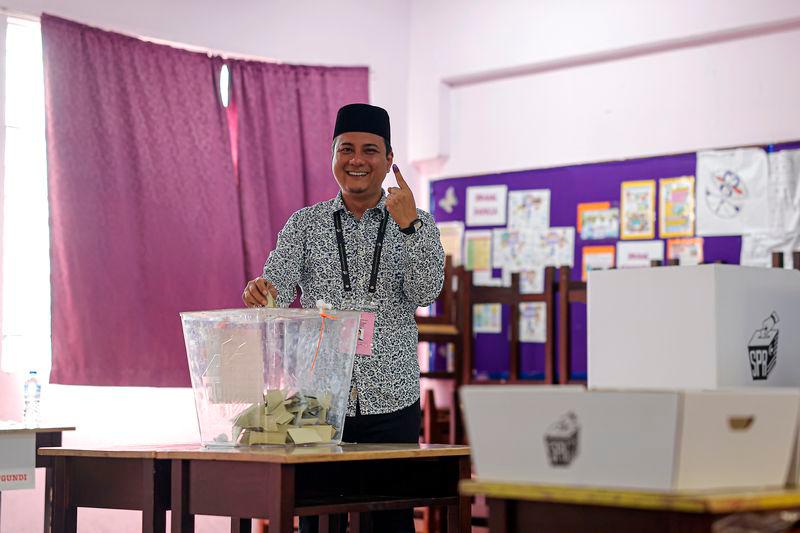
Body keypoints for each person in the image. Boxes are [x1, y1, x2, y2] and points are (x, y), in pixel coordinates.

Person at [242, 103, 445, 533]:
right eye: (346, 149)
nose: (357, 160)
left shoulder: (418, 223)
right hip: (318, 401)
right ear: (332, 156)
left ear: (389, 160)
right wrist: (263, 289)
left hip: (391, 398)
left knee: (389, 521)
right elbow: (276, 282)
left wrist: (407, 230)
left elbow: (426, 292)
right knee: (317, 520)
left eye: (370, 150)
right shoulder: (304, 224)